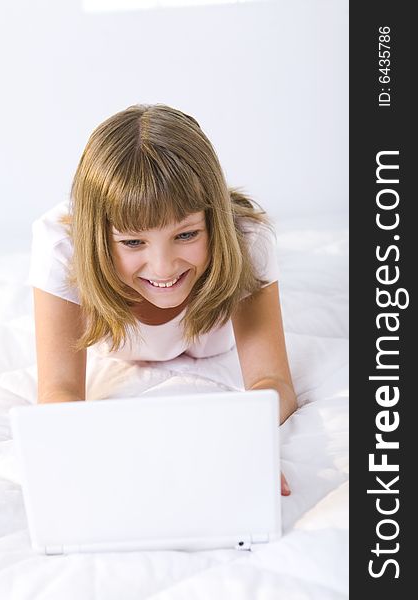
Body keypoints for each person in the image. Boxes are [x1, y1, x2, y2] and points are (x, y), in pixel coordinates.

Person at [29, 103, 297, 495]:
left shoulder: (245, 242)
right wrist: (118, 460)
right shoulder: (62, 249)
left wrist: (235, 441)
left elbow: (272, 380)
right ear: (97, 239)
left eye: (186, 235)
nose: (163, 267)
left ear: (214, 223)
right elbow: (59, 391)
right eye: (133, 242)